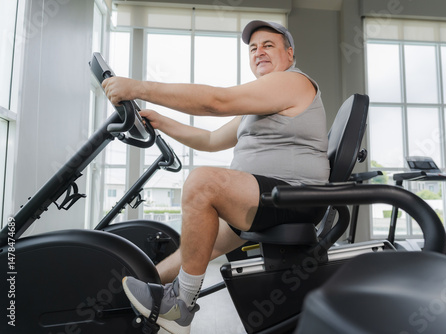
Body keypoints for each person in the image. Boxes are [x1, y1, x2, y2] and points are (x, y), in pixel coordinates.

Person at [102, 20, 330, 334]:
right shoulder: (260, 104)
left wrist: (138, 88)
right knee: (195, 250)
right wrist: (162, 122)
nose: (258, 52)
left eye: (268, 45)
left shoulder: (291, 82)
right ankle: (131, 298)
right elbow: (209, 140)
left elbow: (216, 102)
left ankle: (179, 308)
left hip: (291, 196)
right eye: (253, 48)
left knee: (202, 183)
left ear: (289, 54)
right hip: (263, 198)